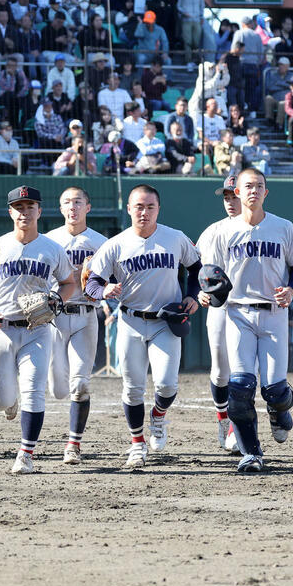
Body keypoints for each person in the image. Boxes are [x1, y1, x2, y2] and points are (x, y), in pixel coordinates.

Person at [198, 168, 293, 473]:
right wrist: (205, 292)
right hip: (237, 313)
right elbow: (209, 272)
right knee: (240, 387)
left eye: (259, 186)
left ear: (266, 192)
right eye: (248, 186)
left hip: (273, 313)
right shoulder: (222, 231)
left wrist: (291, 289)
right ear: (239, 191)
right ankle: (252, 453)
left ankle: (279, 408)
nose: (253, 191)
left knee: (274, 389)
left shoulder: (283, 227)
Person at [85, 185, 201, 468]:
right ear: (128, 208)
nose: (144, 212)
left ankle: (159, 416)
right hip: (130, 321)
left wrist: (192, 294)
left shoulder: (174, 238)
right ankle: (137, 444)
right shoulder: (115, 244)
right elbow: (91, 283)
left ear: (158, 209)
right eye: (139, 206)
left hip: (165, 321)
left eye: (150, 206)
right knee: (133, 388)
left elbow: (197, 268)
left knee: (166, 383)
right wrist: (105, 290)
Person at [0, 186, 75, 474]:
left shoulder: (53, 248)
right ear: (10, 212)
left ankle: (26, 454)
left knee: (34, 391)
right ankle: (9, 402)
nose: (24, 212)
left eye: (30, 206)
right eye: (18, 207)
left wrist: (56, 299)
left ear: (39, 211)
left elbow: (69, 283)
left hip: (38, 328)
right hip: (1, 329)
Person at [43, 187, 107, 464]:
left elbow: (112, 276)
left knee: (80, 385)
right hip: (53, 318)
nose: (73, 207)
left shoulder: (102, 242)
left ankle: (73, 444)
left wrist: (106, 286)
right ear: (60, 209)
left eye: (78, 202)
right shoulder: (47, 240)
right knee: (59, 390)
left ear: (88, 207)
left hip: (85, 315)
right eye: (67, 202)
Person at [195, 176, 242, 452]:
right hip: (220, 307)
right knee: (221, 370)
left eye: (234, 196)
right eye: (226, 197)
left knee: (242, 371)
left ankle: (237, 426)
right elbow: (196, 270)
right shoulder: (211, 231)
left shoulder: (262, 227)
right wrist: (198, 292)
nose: (230, 202)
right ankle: (223, 419)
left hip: (250, 307)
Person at [177, 0, 204, 70]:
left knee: (196, 42)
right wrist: (184, 13)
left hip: (196, 19)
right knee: (187, 41)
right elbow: (178, 5)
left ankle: (195, 60)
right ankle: (188, 61)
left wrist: (201, 16)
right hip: (186, 20)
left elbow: (202, 5)